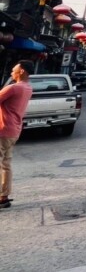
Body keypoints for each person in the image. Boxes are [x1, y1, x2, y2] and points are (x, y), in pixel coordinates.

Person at [0, 60, 34, 209]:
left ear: (21, 71)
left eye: (14, 70)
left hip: (3, 130)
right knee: (5, 164)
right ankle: (3, 196)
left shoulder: (13, 88)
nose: (11, 72)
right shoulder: (27, 88)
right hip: (14, 130)